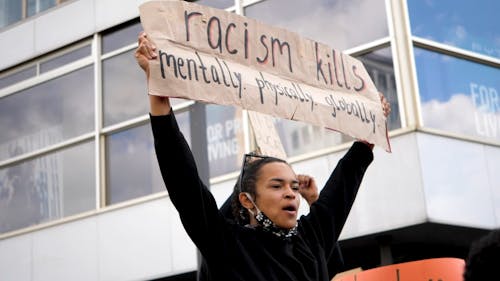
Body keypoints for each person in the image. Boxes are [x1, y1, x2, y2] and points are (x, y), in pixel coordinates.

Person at [135, 32, 391, 281]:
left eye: (293, 186)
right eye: (277, 186)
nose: (291, 193)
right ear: (247, 200)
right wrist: (159, 93)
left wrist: (368, 135)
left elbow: (342, 185)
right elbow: (184, 182)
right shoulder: (228, 244)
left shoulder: (311, 241)